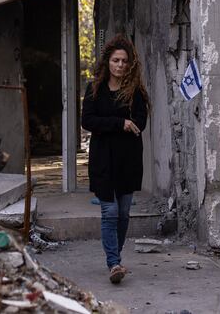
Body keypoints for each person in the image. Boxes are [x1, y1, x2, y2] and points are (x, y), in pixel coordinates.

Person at [81, 34, 149, 284]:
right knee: (109, 211)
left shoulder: (136, 92)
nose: (119, 65)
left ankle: (115, 257)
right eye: (115, 60)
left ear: (129, 64)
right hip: (102, 159)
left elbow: (140, 122)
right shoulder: (95, 89)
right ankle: (114, 262)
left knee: (123, 214)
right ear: (107, 63)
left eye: (124, 61)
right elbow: (87, 121)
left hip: (128, 160)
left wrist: (128, 124)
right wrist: (120, 123)